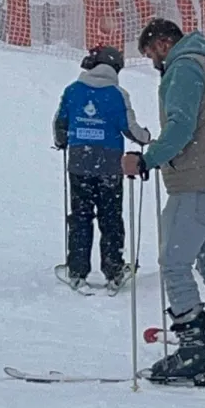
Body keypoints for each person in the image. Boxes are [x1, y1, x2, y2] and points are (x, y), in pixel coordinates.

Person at [122, 19, 205, 387]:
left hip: (197, 185)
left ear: (164, 43)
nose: (154, 62)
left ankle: (194, 349)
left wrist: (147, 159)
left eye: (152, 53)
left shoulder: (184, 68)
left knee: (175, 264)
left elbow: (181, 126)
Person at [53, 45, 151, 291]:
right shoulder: (118, 94)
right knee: (110, 218)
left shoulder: (73, 90)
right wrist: (146, 138)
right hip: (109, 165)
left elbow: (60, 123)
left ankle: (77, 271)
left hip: (79, 162)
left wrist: (62, 142)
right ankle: (113, 271)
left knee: (80, 216)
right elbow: (130, 128)